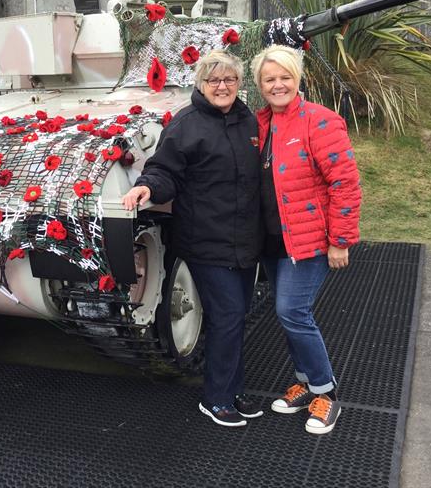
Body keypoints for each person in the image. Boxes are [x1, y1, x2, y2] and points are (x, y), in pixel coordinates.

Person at [122, 50, 264, 428]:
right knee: (228, 316)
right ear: (200, 84)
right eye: (213, 80)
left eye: (229, 79)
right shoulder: (186, 124)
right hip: (206, 238)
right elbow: (164, 170)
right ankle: (215, 399)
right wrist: (146, 189)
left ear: (238, 83)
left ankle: (233, 392)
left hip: (246, 239)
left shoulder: (248, 120)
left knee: (236, 317)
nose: (222, 86)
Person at [251, 44, 362, 435]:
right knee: (287, 317)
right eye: (269, 79)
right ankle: (305, 383)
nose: (277, 84)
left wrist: (341, 240)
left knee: (293, 313)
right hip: (272, 241)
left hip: (310, 240)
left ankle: (326, 394)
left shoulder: (320, 121)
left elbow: (344, 183)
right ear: (259, 85)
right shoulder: (260, 123)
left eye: (285, 77)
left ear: (298, 79)